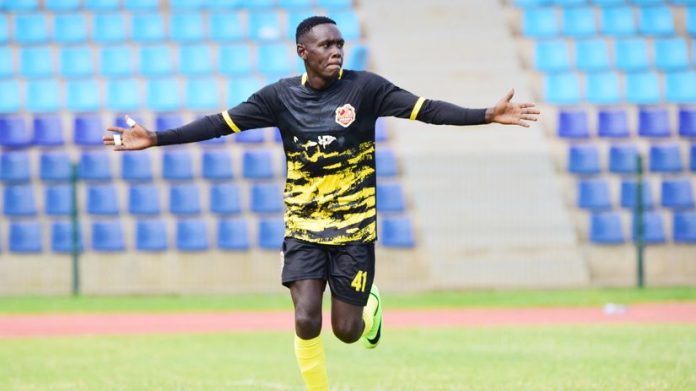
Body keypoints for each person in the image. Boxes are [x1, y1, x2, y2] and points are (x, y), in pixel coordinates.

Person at [104, 16, 540, 391]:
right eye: (326, 45)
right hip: (303, 227)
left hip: (354, 230)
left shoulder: (366, 89)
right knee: (307, 317)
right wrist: (157, 138)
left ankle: (369, 303)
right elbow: (219, 124)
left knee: (347, 332)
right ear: (302, 52)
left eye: (339, 44)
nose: (336, 52)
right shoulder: (278, 98)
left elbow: (425, 109)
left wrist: (484, 114)